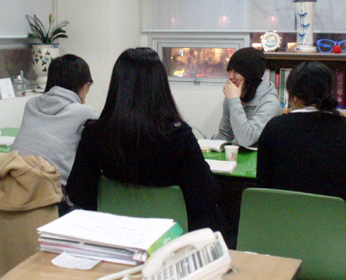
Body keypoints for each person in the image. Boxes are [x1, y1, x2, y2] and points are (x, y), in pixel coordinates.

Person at [256, 61, 346, 280]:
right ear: (330, 93)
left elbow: (263, 186)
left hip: (283, 234)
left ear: (293, 97)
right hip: (341, 235)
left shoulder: (275, 128)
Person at [66, 47, 228, 238]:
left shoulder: (95, 134)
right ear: (160, 86)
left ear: (117, 86)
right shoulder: (178, 136)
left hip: (115, 237)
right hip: (173, 240)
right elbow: (205, 198)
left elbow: (78, 193)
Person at [11, 54, 97, 214]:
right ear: (84, 84)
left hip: (13, 187)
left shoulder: (31, 104)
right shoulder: (85, 113)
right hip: (51, 197)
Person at [213, 47, 281, 147]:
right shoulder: (232, 97)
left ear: (250, 76)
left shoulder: (270, 103)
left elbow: (246, 140)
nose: (231, 76)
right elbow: (226, 134)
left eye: (236, 72)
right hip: (235, 154)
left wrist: (234, 100)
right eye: (230, 70)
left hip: (259, 155)